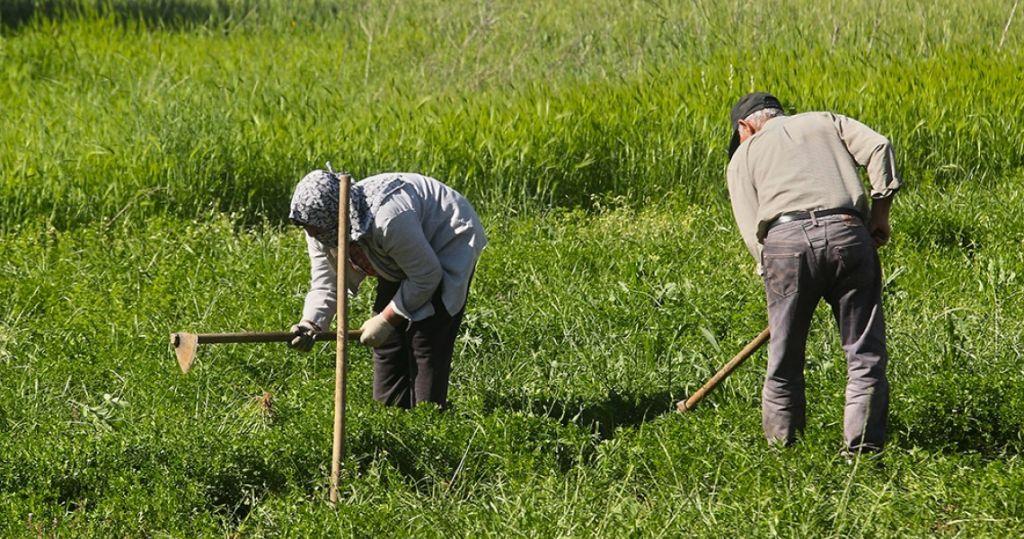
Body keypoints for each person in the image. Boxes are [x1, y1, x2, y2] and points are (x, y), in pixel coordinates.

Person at [725, 92, 900, 453]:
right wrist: (880, 214)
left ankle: (783, 454)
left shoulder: (743, 155)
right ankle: (862, 453)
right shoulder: (824, 120)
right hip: (848, 234)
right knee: (863, 353)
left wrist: (776, 279)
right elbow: (879, 145)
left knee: (784, 358)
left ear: (745, 126)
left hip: (785, 246)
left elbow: (750, 228)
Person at [286, 170, 487, 409]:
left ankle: (427, 422)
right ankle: (390, 418)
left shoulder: (388, 219)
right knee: (388, 341)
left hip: (446, 238)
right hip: (402, 254)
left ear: (333, 217)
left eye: (314, 228)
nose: (310, 233)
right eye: (307, 227)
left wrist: (388, 318)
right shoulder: (320, 225)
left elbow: (426, 275)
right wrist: (311, 324)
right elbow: (326, 282)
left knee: (426, 337)